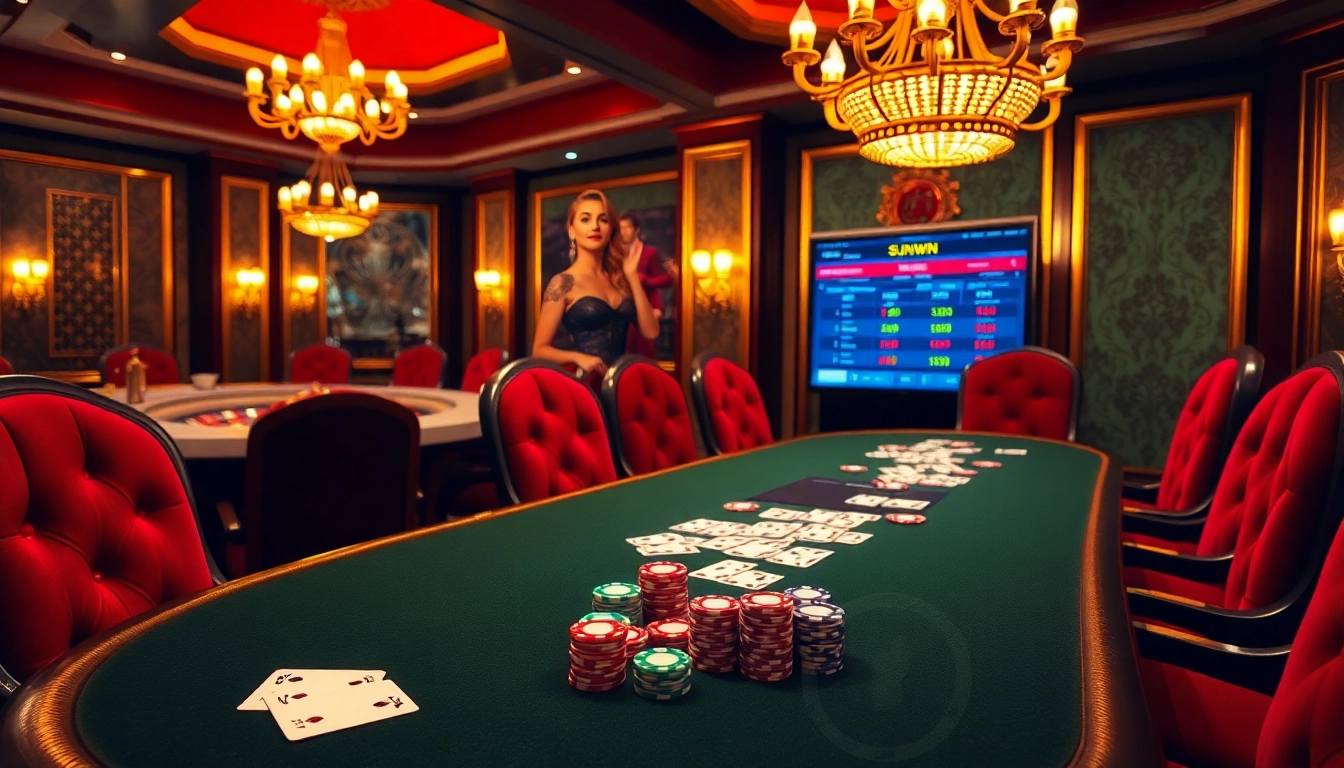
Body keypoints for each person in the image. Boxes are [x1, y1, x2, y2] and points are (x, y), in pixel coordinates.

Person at [533, 189, 660, 378]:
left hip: (623, 384)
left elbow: (651, 332)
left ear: (611, 230)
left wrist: (632, 276)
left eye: (603, 219)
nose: (595, 226)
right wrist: (577, 357)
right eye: (585, 219)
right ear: (571, 230)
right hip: (587, 384)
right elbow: (539, 350)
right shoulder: (562, 282)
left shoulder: (620, 279)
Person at [618, 211, 674, 357]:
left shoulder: (649, 252)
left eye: (627, 227)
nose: (623, 232)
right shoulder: (616, 253)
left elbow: (666, 279)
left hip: (647, 306)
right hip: (623, 309)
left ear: (637, 230)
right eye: (620, 228)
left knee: (644, 351)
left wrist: (643, 280)